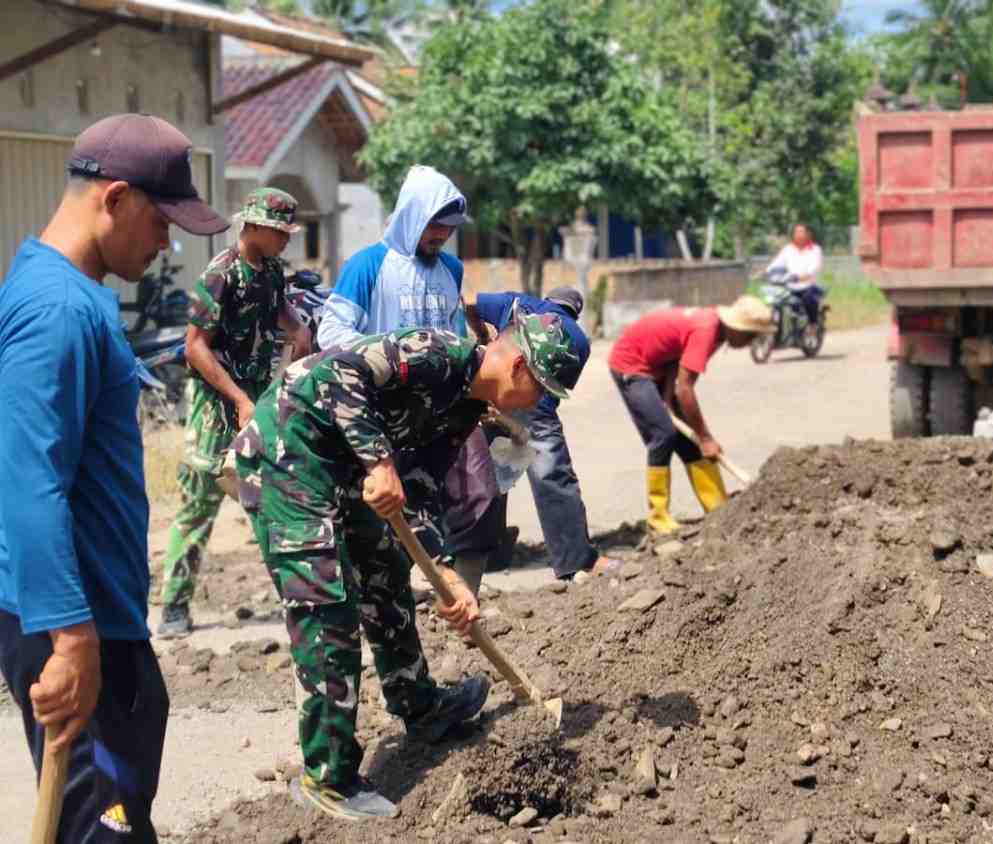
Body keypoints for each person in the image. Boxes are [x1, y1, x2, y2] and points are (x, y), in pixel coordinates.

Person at [232, 315, 583, 820]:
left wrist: (446, 574)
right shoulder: (436, 354)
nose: (538, 404)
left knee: (386, 573)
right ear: (519, 367)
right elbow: (338, 372)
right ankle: (327, 776)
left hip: (345, 469)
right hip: (290, 453)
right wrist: (379, 462)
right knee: (327, 607)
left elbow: (418, 487)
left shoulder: (465, 409)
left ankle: (420, 706)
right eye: (542, 391)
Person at [0, 114, 228, 842]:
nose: (167, 244)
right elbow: (28, 482)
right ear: (116, 198)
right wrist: (71, 640)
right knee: (103, 830)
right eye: (162, 223)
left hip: (100, 615)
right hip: (75, 620)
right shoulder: (56, 311)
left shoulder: (70, 292)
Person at [317, 166, 503, 602]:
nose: (442, 235)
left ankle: (461, 600)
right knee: (391, 510)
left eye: (449, 228)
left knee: (480, 495)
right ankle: (393, 599)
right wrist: (389, 355)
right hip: (385, 410)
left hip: (447, 408)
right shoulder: (367, 265)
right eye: (435, 225)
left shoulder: (451, 269)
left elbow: (455, 334)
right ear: (411, 216)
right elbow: (332, 333)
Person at [156, 188, 313, 638]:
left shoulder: (272, 270)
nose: (286, 239)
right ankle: (173, 606)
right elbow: (195, 347)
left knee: (272, 498)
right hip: (216, 406)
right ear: (255, 227)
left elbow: (276, 308)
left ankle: (299, 596)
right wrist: (239, 400)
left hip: (257, 400)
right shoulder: (220, 274)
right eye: (280, 231)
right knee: (199, 504)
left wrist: (298, 329)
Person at [468, 286, 617, 581]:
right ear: (575, 312)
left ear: (548, 300)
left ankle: (484, 554)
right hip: (535, 408)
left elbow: (468, 302)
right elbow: (556, 386)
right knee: (552, 479)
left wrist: (482, 334)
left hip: (498, 391)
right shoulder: (578, 338)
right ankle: (575, 559)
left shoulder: (517, 302)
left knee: (488, 475)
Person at [609, 297, 773, 534]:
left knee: (688, 441)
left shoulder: (716, 331)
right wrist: (706, 437)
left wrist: (667, 397)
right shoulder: (706, 330)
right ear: (735, 327)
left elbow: (677, 355)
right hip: (631, 363)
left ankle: (718, 507)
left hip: (658, 365)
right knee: (663, 435)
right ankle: (658, 517)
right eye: (750, 335)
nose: (750, 342)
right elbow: (685, 389)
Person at [766, 223, 825, 325]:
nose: (798, 235)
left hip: (808, 286)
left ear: (808, 234)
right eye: (796, 232)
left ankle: (812, 325)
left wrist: (801, 277)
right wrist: (765, 273)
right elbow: (775, 264)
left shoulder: (815, 250)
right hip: (790, 286)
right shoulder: (788, 249)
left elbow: (813, 269)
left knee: (809, 299)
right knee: (775, 300)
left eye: (801, 232)